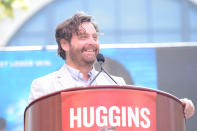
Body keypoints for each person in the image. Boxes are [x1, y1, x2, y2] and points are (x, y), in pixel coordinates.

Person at [28, 12, 195, 119]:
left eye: (95, 37)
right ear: (64, 44)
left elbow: (140, 116)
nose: (92, 43)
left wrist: (174, 107)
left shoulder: (117, 83)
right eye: (84, 37)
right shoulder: (43, 86)